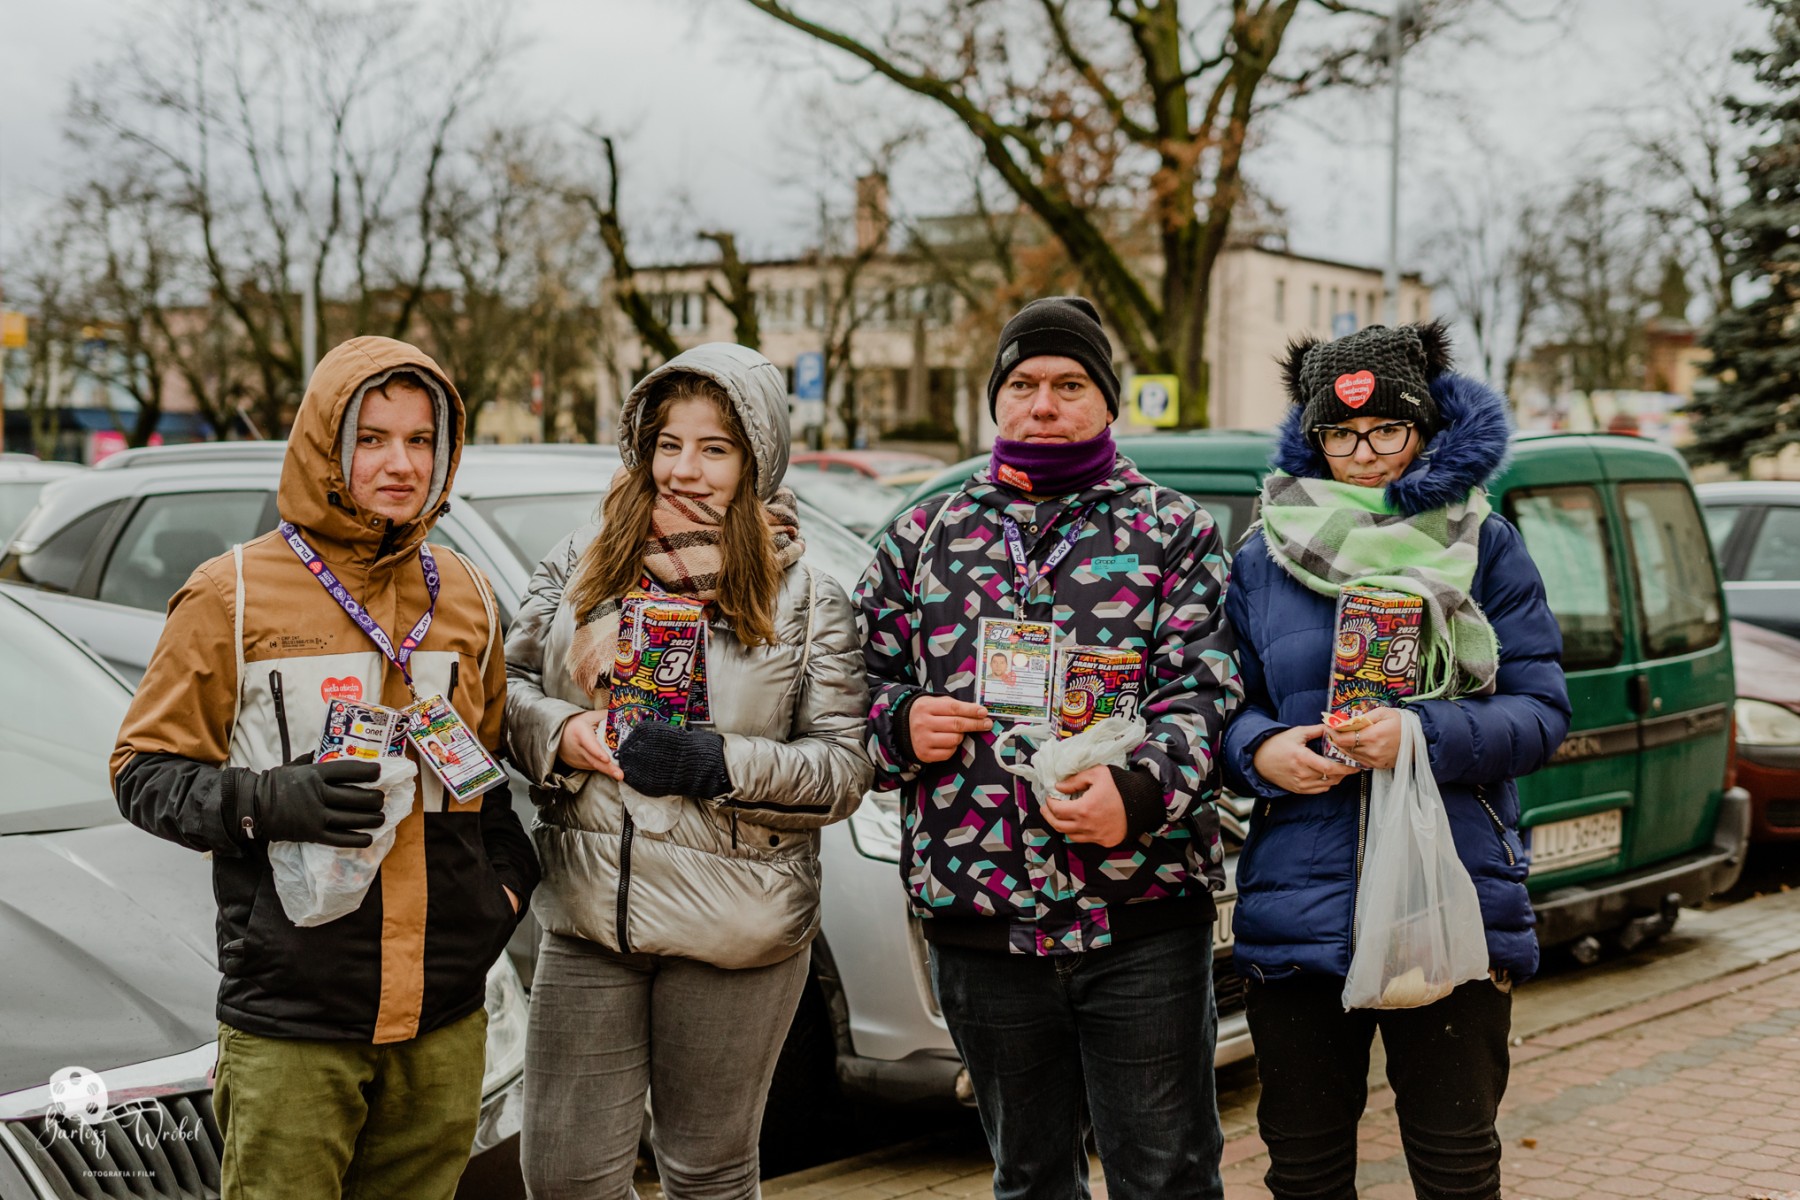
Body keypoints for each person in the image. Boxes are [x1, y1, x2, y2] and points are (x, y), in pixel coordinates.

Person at [112, 337, 537, 1199]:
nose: (400, 463)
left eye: (422, 441)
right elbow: (141, 774)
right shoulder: (228, 596)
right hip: (295, 1021)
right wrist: (275, 801)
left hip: (445, 1018)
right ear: (324, 447)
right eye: (373, 438)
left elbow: (481, 775)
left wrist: (505, 890)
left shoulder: (465, 594)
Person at [856, 296, 1241, 1200]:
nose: (1044, 404)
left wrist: (1139, 796)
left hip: (1140, 915)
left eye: (1070, 384)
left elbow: (1208, 689)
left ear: (1109, 402)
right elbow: (850, 690)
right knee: (1028, 1179)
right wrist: (898, 724)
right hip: (981, 919)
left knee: (1168, 1176)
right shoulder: (922, 536)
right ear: (995, 399)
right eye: (1023, 384)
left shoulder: (1174, 531)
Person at [503, 343, 872, 1200]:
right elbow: (507, 691)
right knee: (563, 1176)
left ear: (756, 458)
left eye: (715, 448)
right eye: (670, 444)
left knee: (707, 1173)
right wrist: (564, 733)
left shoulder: (807, 596)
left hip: (734, 924)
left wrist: (717, 762)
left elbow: (844, 768)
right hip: (592, 913)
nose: (686, 469)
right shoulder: (582, 566)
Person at [1223, 321, 1571, 1200]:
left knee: (1455, 1167)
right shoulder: (1264, 555)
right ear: (1314, 436)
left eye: (1387, 431)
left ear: (1425, 430)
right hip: (1300, 907)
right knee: (1304, 1171)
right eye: (1340, 435)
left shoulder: (1484, 543)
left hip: (1450, 897)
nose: (1365, 455)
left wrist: (1423, 735)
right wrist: (1262, 750)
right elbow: (1218, 707)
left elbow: (1540, 715)